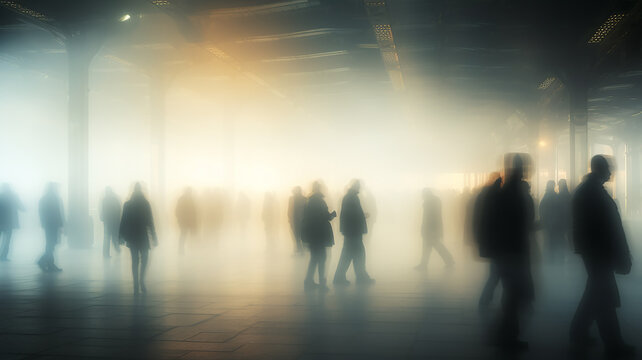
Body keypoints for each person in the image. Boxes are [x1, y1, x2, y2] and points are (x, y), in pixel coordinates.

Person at [569, 155, 634, 358]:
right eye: (608, 168)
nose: (611, 172)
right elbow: (608, 227)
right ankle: (613, 344)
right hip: (599, 253)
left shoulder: (587, 191)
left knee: (595, 294)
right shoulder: (594, 193)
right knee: (604, 298)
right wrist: (620, 253)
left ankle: (578, 332)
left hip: (594, 252)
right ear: (600, 169)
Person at [494, 154, 534, 350]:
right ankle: (506, 336)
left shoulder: (507, 190)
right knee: (514, 295)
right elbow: (517, 222)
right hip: (514, 251)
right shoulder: (514, 192)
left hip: (509, 250)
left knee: (512, 294)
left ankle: (506, 335)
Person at [333, 180, 374, 285]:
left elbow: (349, 214)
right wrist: (362, 216)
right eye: (358, 186)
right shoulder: (352, 197)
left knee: (351, 254)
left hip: (350, 231)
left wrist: (361, 216)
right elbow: (352, 215)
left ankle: (343, 277)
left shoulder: (349, 197)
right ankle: (359, 277)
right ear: (355, 187)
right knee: (357, 254)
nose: (360, 188)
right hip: (353, 231)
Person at [119, 183, 157, 294]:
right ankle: (141, 281)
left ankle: (136, 283)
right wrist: (154, 236)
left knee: (134, 260)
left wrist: (120, 235)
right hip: (142, 235)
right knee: (145, 258)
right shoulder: (145, 204)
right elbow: (150, 221)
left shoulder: (128, 204)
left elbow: (123, 221)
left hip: (132, 236)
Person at [473, 173, 502, 311]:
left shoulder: (485, 197)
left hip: (493, 243)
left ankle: (486, 298)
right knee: (497, 274)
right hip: (498, 243)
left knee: (496, 274)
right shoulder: (495, 198)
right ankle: (485, 298)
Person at [301, 181, 336, 291]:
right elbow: (325, 217)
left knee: (315, 259)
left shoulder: (310, 201)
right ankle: (321, 283)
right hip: (319, 235)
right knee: (321, 258)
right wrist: (333, 214)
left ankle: (308, 281)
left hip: (313, 235)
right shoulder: (319, 201)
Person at [414, 188, 454, 271]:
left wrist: (424, 228)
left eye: (422, 194)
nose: (422, 196)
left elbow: (427, 217)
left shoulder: (428, 202)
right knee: (432, 246)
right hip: (434, 228)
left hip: (429, 229)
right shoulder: (435, 201)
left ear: (425, 194)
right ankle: (424, 264)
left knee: (432, 246)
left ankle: (449, 260)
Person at [37, 183, 64, 272]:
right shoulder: (55, 199)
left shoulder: (43, 199)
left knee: (50, 243)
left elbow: (41, 212)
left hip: (48, 225)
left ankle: (49, 263)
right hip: (53, 224)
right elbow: (58, 213)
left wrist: (43, 223)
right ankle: (43, 261)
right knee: (51, 244)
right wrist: (61, 224)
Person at [539, 180, 564, 264]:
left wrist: (544, 221)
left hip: (549, 225)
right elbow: (560, 211)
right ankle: (556, 261)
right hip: (556, 224)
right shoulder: (555, 196)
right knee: (555, 244)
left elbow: (542, 209)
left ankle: (551, 260)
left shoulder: (546, 196)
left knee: (550, 244)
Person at [0, 184, 25, 261]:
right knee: (7, 240)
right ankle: (3, 256)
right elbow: (21, 207)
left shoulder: (1, 196)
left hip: (1, 221)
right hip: (9, 222)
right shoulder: (13, 196)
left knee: (5, 239)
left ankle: (3, 256)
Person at [100, 187, 122, 258]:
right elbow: (119, 210)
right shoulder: (114, 200)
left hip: (107, 222)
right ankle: (117, 248)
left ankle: (105, 253)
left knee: (107, 238)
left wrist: (103, 218)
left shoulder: (104, 200)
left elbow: (102, 211)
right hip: (114, 222)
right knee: (114, 236)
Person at [176, 187, 198, 254]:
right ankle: (181, 250)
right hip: (184, 222)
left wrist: (194, 221)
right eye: (189, 192)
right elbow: (177, 211)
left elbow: (194, 211)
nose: (190, 193)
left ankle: (191, 248)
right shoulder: (182, 199)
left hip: (190, 221)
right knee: (183, 235)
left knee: (190, 235)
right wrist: (180, 220)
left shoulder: (191, 199)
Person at [288, 186, 306, 255]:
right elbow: (289, 210)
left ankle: (300, 250)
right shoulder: (291, 199)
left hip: (300, 221)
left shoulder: (303, 199)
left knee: (299, 236)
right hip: (294, 221)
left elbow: (305, 210)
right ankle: (298, 249)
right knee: (296, 236)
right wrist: (289, 219)